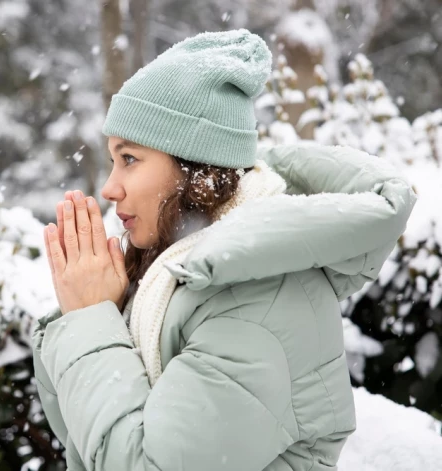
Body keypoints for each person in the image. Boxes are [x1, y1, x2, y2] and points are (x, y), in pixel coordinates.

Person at [31, 29, 416, 470]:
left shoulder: (253, 302)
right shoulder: (179, 276)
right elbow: (90, 437)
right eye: (113, 160)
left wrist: (91, 324)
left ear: (193, 168)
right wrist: (100, 315)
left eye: (129, 159)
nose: (109, 187)